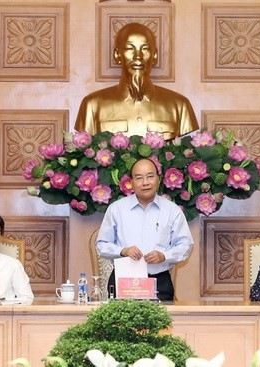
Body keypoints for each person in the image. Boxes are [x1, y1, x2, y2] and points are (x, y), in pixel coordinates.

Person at [74, 23, 199, 140]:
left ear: (154, 56)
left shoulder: (179, 106)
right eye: (130, 48)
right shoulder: (92, 105)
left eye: (145, 49)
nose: (138, 57)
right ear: (117, 55)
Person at [96, 158, 193, 301]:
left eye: (150, 176)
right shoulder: (117, 209)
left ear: (158, 179)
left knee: (162, 323)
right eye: (139, 178)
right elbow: (101, 245)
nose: (145, 182)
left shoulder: (172, 210)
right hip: (124, 282)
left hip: (159, 282)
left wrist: (164, 256)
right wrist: (123, 251)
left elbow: (185, 245)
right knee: (119, 323)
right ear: (131, 182)